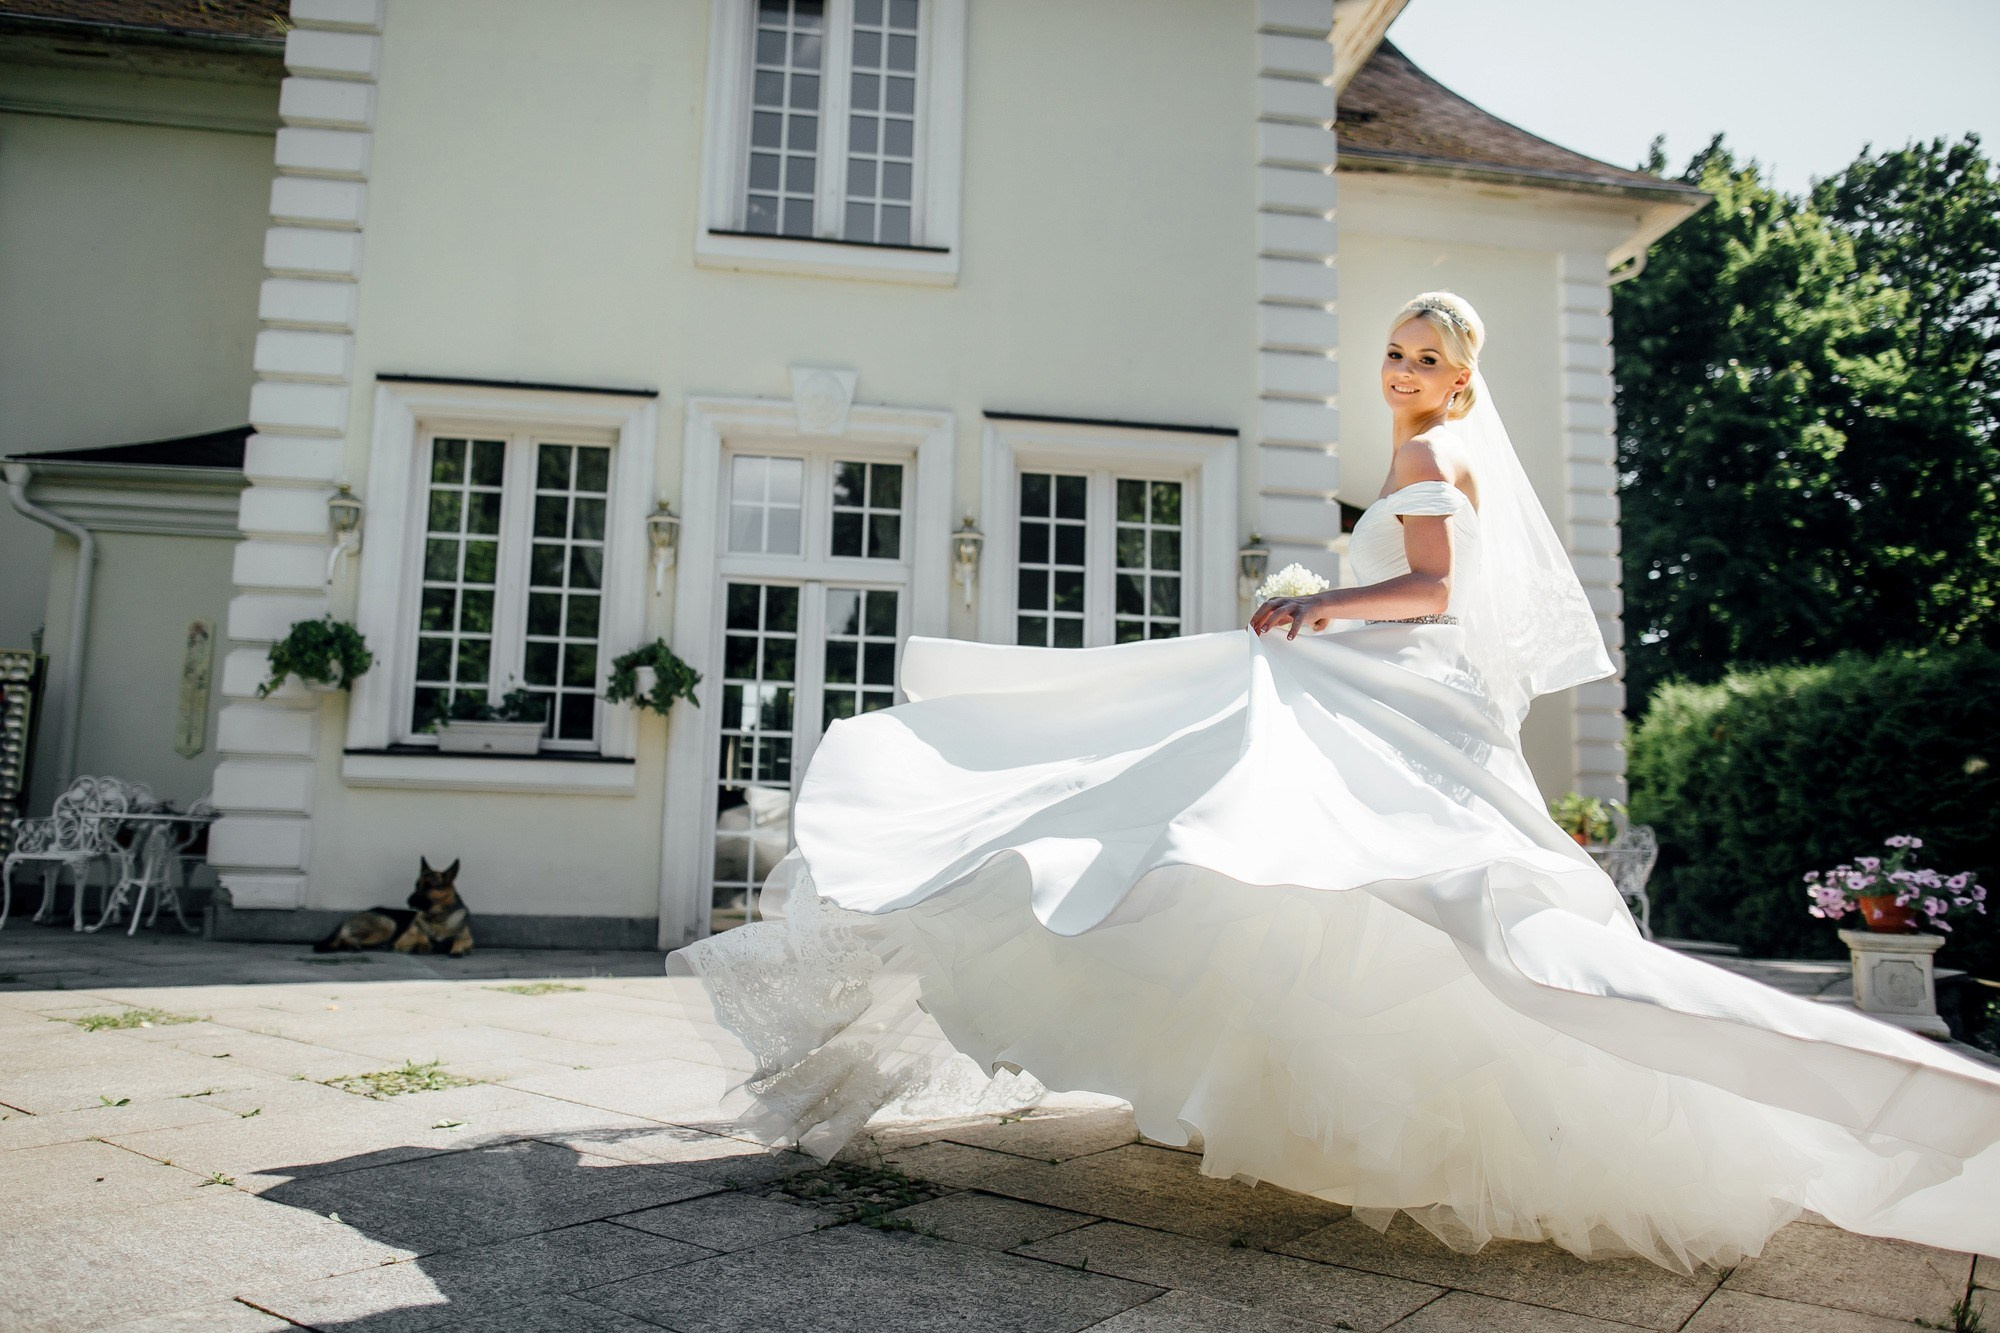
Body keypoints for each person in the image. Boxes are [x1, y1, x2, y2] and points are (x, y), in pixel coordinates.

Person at [668, 291, 2000, 1275]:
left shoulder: (1427, 459)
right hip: (1415, 692)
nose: (1405, 372)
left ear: (1462, 375)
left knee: (1230, 830)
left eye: (1431, 358)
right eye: (1399, 353)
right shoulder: (1453, 456)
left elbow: (1430, 589)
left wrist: (1314, 613)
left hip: (1384, 676)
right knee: (1331, 879)